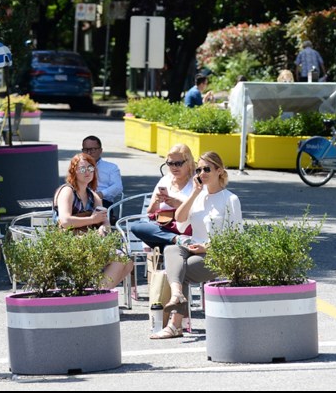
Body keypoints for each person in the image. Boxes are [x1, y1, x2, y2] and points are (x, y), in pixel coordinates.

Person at [150, 150, 242, 340]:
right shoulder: (199, 196)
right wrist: (193, 194)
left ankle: (175, 325)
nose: (202, 173)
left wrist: (207, 247)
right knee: (171, 248)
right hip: (192, 248)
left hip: (216, 254)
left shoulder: (230, 199)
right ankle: (177, 295)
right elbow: (180, 220)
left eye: (207, 168)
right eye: (199, 169)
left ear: (220, 171)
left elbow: (236, 238)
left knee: (181, 270)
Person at [53, 153, 133, 289]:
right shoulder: (67, 191)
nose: (87, 172)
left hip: (90, 242)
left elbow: (105, 221)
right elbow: (65, 221)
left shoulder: (93, 195)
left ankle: (97, 292)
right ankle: (97, 295)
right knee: (119, 259)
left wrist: (103, 228)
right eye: (82, 169)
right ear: (74, 171)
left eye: (90, 168)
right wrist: (91, 219)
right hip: (68, 243)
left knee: (128, 262)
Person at [131, 144, 197, 251]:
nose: (174, 167)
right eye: (170, 163)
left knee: (167, 248)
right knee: (136, 226)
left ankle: (175, 242)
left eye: (178, 163)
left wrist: (179, 204)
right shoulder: (165, 180)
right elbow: (150, 212)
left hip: (187, 228)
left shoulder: (195, 181)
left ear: (189, 162)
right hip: (163, 228)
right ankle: (176, 239)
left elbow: (202, 211)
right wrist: (157, 201)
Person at [82, 135, 123, 212]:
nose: (89, 152)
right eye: (86, 149)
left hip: (102, 201)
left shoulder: (111, 167)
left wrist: (100, 194)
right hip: (81, 200)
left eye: (93, 149)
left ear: (100, 150)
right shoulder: (78, 166)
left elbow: (118, 186)